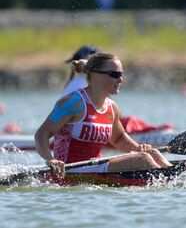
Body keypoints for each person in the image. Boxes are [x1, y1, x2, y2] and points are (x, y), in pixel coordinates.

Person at [35, 52, 172, 176]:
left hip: (95, 168)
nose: (121, 80)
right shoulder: (73, 102)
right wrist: (50, 160)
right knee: (143, 159)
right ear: (95, 75)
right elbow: (42, 134)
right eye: (115, 74)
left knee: (151, 153)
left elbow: (118, 139)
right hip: (69, 170)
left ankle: (172, 178)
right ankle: (167, 180)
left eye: (121, 74)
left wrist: (138, 147)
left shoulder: (112, 107)